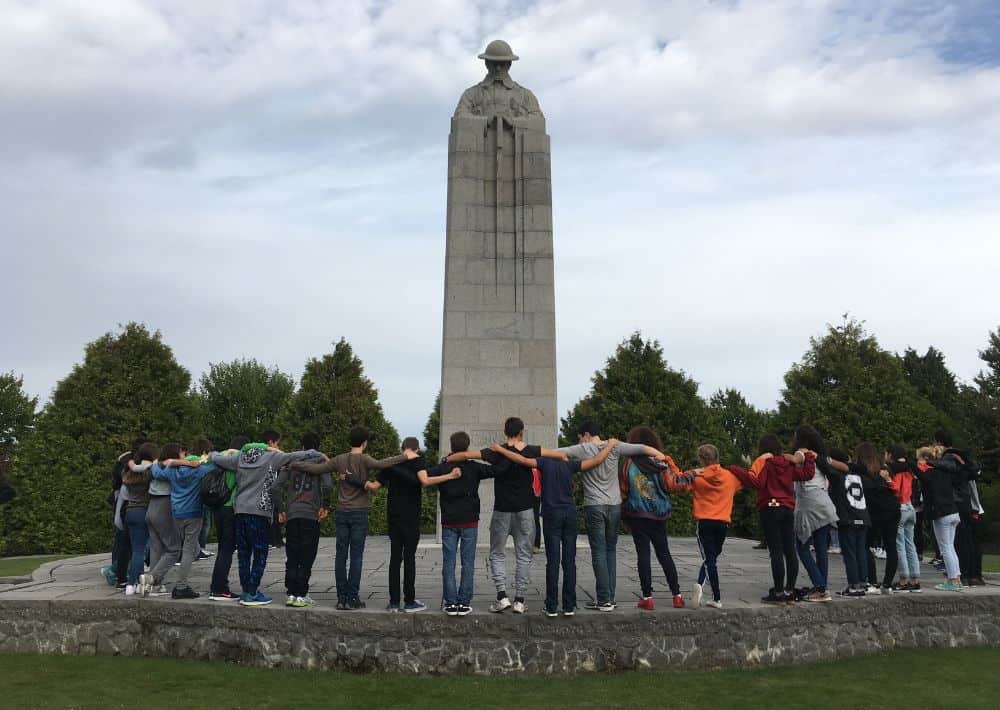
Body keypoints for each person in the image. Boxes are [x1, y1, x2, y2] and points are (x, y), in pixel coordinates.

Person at [444, 417, 565, 614]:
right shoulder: (531, 450)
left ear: (505, 432)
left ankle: (502, 597)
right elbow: (557, 455)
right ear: (522, 431)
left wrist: (447, 459)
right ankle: (519, 599)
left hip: (501, 510)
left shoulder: (495, 452)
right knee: (524, 555)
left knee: (497, 554)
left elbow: (464, 455)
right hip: (525, 510)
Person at [488, 437, 619, 617]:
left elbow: (522, 460)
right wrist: (611, 445)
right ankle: (569, 606)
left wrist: (501, 450)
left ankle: (551, 607)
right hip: (570, 514)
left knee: (553, 562)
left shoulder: (544, 463)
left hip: (551, 515)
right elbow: (597, 460)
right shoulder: (570, 465)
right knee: (569, 561)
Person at [290, 426, 409, 610]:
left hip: (342, 511)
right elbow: (382, 464)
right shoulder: (365, 458)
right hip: (359, 511)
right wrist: (405, 456)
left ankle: (341, 598)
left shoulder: (339, 459)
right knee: (356, 556)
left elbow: (315, 469)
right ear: (364, 442)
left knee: (340, 555)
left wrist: (295, 463)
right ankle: (352, 597)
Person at [557, 421, 666, 612]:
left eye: (580, 437)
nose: (580, 440)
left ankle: (603, 599)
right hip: (614, 505)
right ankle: (609, 597)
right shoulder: (615, 445)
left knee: (598, 551)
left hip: (594, 505)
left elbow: (553, 453)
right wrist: (661, 456)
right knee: (610, 551)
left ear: (586, 434)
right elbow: (643, 448)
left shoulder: (583, 448)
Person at [209, 429, 320, 607]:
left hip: (240, 510)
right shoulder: (270, 457)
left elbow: (214, 458)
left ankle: (246, 590)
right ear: (268, 446)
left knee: (244, 554)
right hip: (260, 511)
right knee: (260, 553)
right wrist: (316, 453)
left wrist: (215, 453)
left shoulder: (239, 458)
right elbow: (301, 454)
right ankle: (252, 592)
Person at [727, 434, 816, 605]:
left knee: (776, 551)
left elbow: (756, 483)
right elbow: (807, 474)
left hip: (770, 508)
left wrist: (735, 469)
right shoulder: (789, 464)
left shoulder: (766, 464)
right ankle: (790, 591)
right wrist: (809, 456)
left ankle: (778, 593)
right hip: (788, 509)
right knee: (790, 550)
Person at [663, 444, 745, 609]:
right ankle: (700, 584)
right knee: (711, 558)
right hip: (723, 523)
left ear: (701, 459)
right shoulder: (731, 477)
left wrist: (668, 461)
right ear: (717, 457)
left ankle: (716, 597)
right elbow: (749, 480)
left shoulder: (696, 476)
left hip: (705, 522)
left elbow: (677, 481)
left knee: (709, 560)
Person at [420, 432, 490, 616]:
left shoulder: (443, 467)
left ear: (451, 446)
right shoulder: (474, 467)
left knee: (448, 562)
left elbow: (423, 477)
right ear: (467, 447)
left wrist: (446, 466)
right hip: (470, 521)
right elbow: (495, 469)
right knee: (468, 563)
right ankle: (464, 602)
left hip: (449, 521)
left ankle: (450, 603)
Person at [619, 426, 685, 611]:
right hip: (660, 515)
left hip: (638, 515)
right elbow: (673, 485)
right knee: (664, 553)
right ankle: (677, 596)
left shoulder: (628, 463)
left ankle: (647, 597)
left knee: (643, 555)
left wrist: (623, 512)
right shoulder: (661, 462)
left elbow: (623, 491)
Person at [145, 442, 216, 599]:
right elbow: (215, 464)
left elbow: (156, 470)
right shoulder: (199, 470)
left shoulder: (171, 471)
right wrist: (205, 458)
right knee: (188, 550)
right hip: (194, 513)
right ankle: (181, 584)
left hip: (176, 513)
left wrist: (170, 461)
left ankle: (153, 576)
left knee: (174, 548)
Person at [366, 437, 427, 612]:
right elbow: (423, 481)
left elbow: (375, 486)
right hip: (411, 517)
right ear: (416, 449)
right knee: (409, 558)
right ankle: (409, 601)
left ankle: (393, 602)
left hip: (394, 517)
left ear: (402, 449)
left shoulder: (390, 464)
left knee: (394, 559)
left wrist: (354, 479)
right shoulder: (418, 462)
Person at [270, 433, 330, 608]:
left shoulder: (291, 463)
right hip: (310, 514)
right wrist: (325, 505)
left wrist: (281, 509)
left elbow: (276, 487)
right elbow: (327, 485)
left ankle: (291, 593)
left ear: (302, 447)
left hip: (292, 513)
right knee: (307, 554)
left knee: (293, 554)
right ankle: (301, 594)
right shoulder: (320, 461)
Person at [788, 427, 838, 603]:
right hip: (825, 503)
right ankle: (821, 588)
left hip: (809, 503)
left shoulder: (802, 452)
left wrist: (778, 456)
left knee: (802, 547)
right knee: (821, 549)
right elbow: (842, 467)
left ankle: (820, 587)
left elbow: (796, 459)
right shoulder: (821, 456)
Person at [934, 430, 985, 586]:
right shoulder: (960, 456)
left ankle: (962, 574)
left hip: (956, 502)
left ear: (938, 442)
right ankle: (972, 574)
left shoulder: (949, 458)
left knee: (957, 541)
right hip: (967, 502)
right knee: (968, 540)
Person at [914, 445, 963, 591]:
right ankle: (956, 578)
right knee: (950, 546)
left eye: (919, 460)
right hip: (953, 511)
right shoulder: (945, 471)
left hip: (942, 514)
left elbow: (922, 477)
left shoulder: (930, 473)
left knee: (945, 547)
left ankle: (953, 580)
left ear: (925, 460)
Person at [826, 447, 871, 597]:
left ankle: (853, 584)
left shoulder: (837, 475)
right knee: (861, 551)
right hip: (862, 515)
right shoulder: (858, 474)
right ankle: (862, 582)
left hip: (848, 517)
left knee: (850, 553)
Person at [209, 435, 249, 601]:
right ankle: (219, 588)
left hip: (217, 506)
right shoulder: (238, 459)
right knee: (227, 549)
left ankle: (217, 586)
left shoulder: (219, 457)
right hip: (230, 507)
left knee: (222, 548)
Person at [104, 434, 147, 588]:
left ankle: (119, 572)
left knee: (125, 542)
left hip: (125, 505)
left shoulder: (127, 459)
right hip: (133, 506)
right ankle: (119, 572)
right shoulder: (135, 462)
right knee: (133, 545)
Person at [859, 443, 901, 594]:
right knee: (891, 546)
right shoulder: (884, 469)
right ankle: (887, 583)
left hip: (875, 510)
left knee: (866, 545)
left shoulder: (862, 471)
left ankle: (872, 580)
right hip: (892, 508)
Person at [121, 442, 158, 595]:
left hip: (130, 511)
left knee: (136, 548)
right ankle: (133, 582)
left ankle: (132, 582)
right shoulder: (149, 472)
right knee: (140, 550)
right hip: (144, 510)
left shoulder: (129, 473)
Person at [886, 443, 921, 592]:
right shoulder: (909, 468)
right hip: (910, 506)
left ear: (891, 454)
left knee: (899, 545)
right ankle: (914, 579)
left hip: (900, 507)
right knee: (910, 545)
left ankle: (903, 579)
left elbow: (896, 489)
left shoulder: (895, 469)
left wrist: (888, 480)